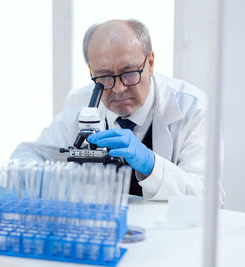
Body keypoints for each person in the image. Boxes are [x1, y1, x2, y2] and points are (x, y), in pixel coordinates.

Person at [12, 18, 224, 202]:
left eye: (129, 72)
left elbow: (209, 197)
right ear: (91, 71)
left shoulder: (193, 107)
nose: (119, 88)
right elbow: (25, 156)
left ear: (150, 63)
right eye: (103, 76)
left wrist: (150, 165)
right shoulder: (81, 101)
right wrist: (54, 183)